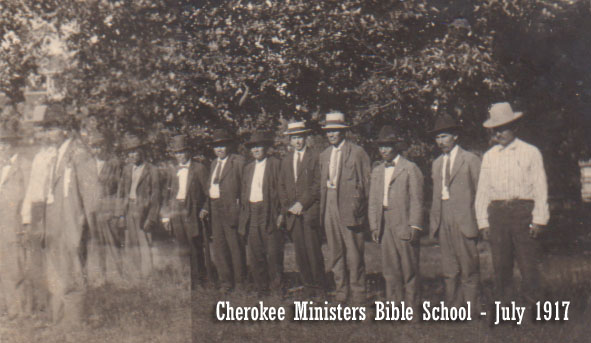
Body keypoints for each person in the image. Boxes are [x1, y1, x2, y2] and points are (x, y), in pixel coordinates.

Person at [475, 102, 549, 303]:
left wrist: (539, 219)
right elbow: (483, 191)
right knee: (501, 266)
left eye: (502, 128)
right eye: (495, 130)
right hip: (498, 214)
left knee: (528, 264)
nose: (498, 134)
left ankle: (535, 311)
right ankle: (505, 312)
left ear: (515, 127)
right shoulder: (489, 157)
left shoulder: (530, 152)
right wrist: (483, 222)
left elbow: (540, 188)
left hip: (523, 212)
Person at [41, 105, 95, 327]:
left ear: (65, 129)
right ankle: (58, 319)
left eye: (54, 128)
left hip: (72, 221)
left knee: (73, 269)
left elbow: (90, 194)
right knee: (56, 270)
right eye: (48, 129)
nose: (49, 133)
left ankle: (73, 322)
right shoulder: (54, 156)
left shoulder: (78, 154)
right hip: (55, 223)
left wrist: (83, 222)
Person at [429, 114, 481, 312]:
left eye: (444, 136)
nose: (441, 142)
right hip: (444, 217)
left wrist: (478, 221)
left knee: (469, 267)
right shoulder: (436, 163)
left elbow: (480, 191)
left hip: (464, 218)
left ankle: (472, 309)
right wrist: (435, 222)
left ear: (455, 136)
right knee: (449, 268)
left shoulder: (470, 159)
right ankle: (454, 309)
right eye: (437, 138)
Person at [368, 125, 424, 310]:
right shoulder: (377, 170)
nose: (383, 150)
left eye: (387, 146)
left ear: (396, 146)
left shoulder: (410, 168)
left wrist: (415, 225)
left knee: (409, 268)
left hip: (403, 222)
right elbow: (373, 200)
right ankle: (394, 308)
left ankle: (412, 309)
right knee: (390, 269)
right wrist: (375, 226)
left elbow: (417, 199)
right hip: (384, 223)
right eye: (381, 147)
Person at [319, 111, 370, 305]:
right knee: (335, 252)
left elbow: (367, 183)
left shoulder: (357, 152)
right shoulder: (324, 155)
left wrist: (361, 209)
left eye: (335, 131)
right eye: (328, 131)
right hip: (330, 205)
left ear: (343, 132)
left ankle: (359, 293)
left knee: (354, 253)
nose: (331, 135)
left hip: (350, 205)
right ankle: (341, 292)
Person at [278, 121, 325, 298]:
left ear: (306, 138)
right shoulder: (286, 160)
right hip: (292, 214)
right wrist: (288, 207)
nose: (298, 141)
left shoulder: (315, 157)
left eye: (300, 137)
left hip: (309, 211)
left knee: (313, 251)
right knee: (300, 252)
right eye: (294, 138)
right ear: (289, 140)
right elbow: (281, 185)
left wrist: (302, 204)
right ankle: (307, 286)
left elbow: (317, 185)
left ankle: (320, 287)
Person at [161, 135, 211, 289]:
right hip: (177, 211)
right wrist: (166, 215)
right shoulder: (173, 171)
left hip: (192, 210)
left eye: (182, 152)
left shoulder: (199, 168)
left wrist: (205, 208)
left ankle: (200, 280)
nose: (180, 156)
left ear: (189, 152)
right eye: (177, 153)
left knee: (195, 246)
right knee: (182, 246)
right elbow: (167, 195)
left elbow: (209, 193)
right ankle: (186, 280)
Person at [199, 129, 246, 293]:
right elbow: (210, 190)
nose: (219, 150)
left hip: (231, 208)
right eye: (216, 147)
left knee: (235, 246)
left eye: (222, 146)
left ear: (229, 146)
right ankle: (226, 281)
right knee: (219, 246)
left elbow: (244, 187)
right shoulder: (213, 164)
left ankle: (240, 282)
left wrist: (240, 208)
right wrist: (206, 207)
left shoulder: (237, 161)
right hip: (215, 209)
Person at [239, 131, 283, 296]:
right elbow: (244, 192)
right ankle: (261, 288)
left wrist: (281, 214)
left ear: (266, 148)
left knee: (273, 252)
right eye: (253, 147)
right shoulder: (248, 168)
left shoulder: (275, 164)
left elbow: (281, 190)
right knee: (255, 253)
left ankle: (277, 287)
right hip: (252, 211)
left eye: (259, 146)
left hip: (269, 210)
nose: (256, 150)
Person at [117, 134, 161, 281]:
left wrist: (151, 217)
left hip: (143, 211)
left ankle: (147, 277)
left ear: (142, 152)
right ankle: (133, 276)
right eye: (130, 152)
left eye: (135, 152)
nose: (133, 155)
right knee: (130, 243)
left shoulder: (152, 170)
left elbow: (156, 196)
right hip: (129, 208)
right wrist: (121, 214)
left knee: (144, 243)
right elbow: (121, 193)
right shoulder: (127, 169)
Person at [84, 131, 124, 285]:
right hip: (94, 210)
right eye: (94, 147)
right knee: (98, 243)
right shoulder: (88, 164)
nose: (97, 150)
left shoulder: (114, 163)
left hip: (109, 208)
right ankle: (102, 277)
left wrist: (118, 212)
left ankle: (119, 276)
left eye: (99, 146)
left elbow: (120, 188)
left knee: (113, 243)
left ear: (104, 147)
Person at [0, 120, 29, 320]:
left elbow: (29, 197)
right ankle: (6, 307)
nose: (2, 147)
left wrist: (26, 224)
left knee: (16, 266)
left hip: (15, 223)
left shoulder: (24, 166)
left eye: (5, 143)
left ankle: (20, 310)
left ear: (14, 144)